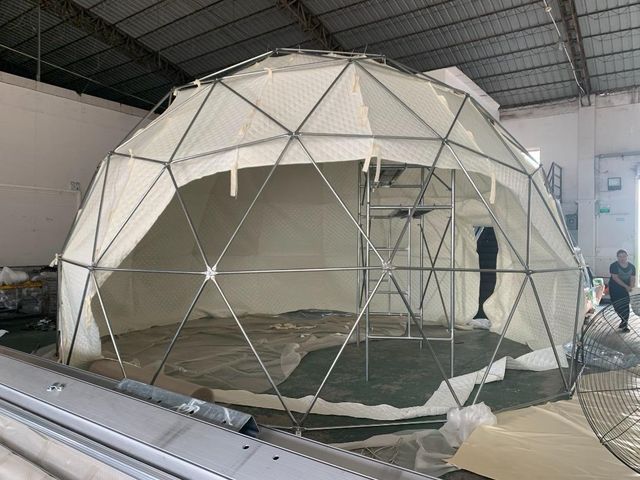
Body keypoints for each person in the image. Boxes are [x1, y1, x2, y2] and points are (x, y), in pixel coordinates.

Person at [609, 249, 636, 332]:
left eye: (624, 256)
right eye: (620, 256)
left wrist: (631, 287)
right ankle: (622, 319)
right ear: (617, 257)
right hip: (615, 288)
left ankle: (625, 324)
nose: (622, 258)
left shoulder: (632, 267)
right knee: (617, 306)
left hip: (626, 289)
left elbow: (632, 278)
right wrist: (626, 286)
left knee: (625, 305)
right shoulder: (614, 266)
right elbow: (615, 278)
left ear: (627, 256)